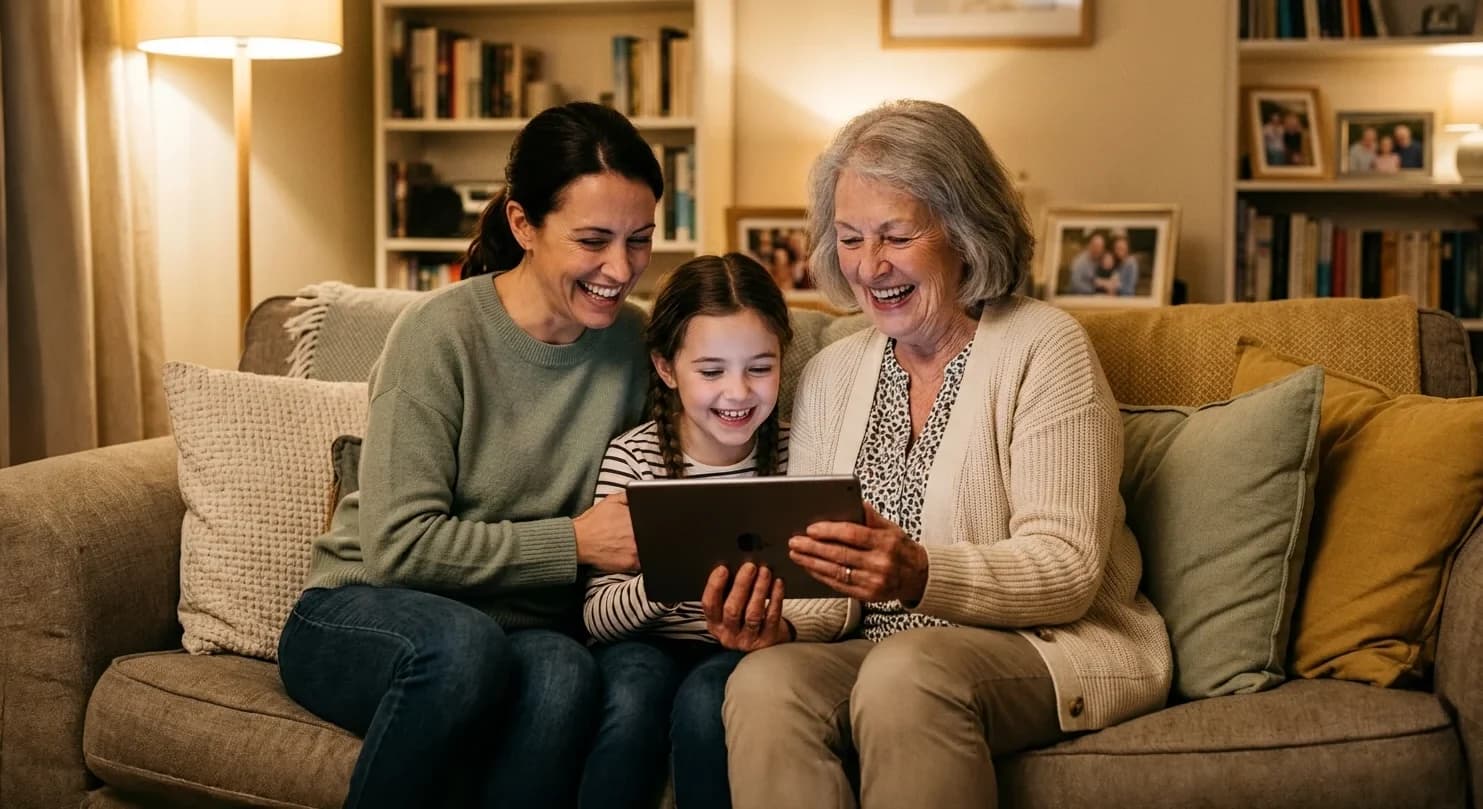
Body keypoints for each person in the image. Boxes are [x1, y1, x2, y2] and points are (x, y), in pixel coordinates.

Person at [722, 99, 1172, 809]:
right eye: (849, 239)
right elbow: (823, 580)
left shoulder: (1043, 347)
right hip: (881, 654)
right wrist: (775, 620)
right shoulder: (833, 373)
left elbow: (1070, 567)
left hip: (1046, 644)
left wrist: (919, 570)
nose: (870, 267)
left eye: (895, 235)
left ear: (963, 229)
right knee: (764, 680)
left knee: (906, 670)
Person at [276, 101, 662, 809]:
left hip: (518, 627)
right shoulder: (439, 333)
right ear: (523, 225)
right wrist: (574, 541)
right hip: (364, 611)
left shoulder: (636, 345)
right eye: (593, 239)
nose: (620, 267)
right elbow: (396, 547)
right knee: (462, 649)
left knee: (564, 673)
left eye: (639, 240)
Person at [581, 252, 849, 808]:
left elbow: (833, 593)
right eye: (711, 371)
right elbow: (597, 617)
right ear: (665, 368)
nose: (738, 393)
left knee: (710, 701)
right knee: (631, 698)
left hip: (750, 652)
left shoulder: (798, 453)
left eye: (759, 367)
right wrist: (673, 572)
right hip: (644, 646)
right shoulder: (634, 459)